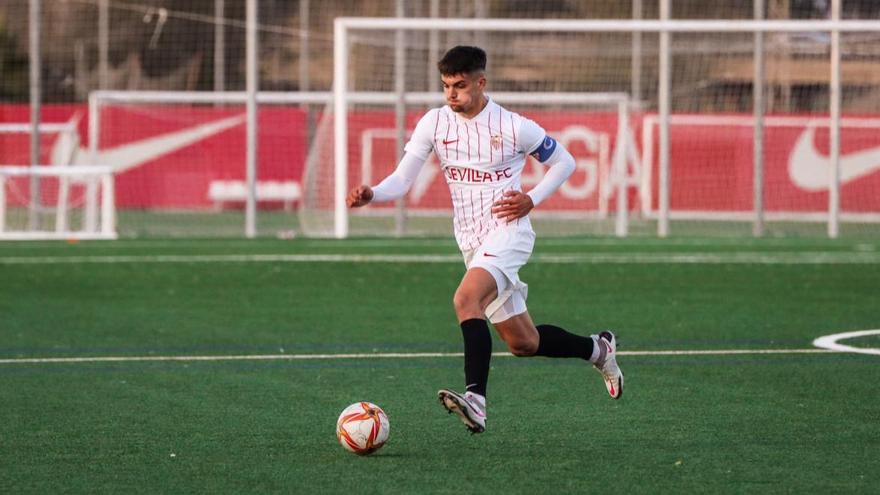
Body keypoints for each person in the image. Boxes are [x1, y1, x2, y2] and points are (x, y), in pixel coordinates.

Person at [346, 45, 623, 434]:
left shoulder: (513, 126)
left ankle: (475, 400)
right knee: (523, 342)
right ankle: (599, 349)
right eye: (445, 86)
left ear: (481, 82)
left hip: (509, 233)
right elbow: (403, 178)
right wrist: (374, 193)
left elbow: (566, 162)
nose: (451, 94)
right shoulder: (434, 124)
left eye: (459, 85)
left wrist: (531, 199)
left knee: (465, 299)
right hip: (472, 242)